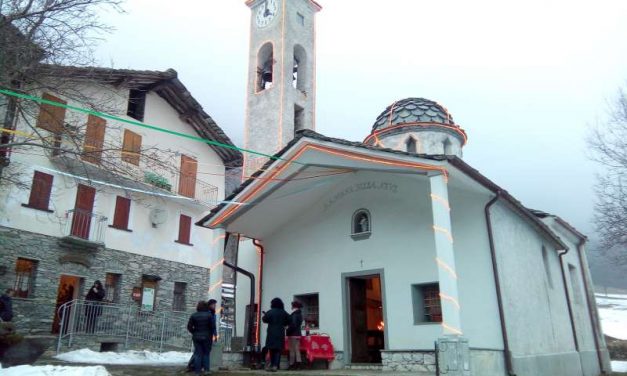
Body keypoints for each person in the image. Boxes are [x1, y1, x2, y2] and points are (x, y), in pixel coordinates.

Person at [187, 301, 216, 375]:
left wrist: (194, 332)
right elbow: (213, 327)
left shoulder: (193, 315)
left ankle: (197, 372)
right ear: (206, 307)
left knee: (198, 354)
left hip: (196, 337)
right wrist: (213, 335)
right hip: (207, 337)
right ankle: (206, 370)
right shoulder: (209, 315)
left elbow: (189, 327)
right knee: (206, 354)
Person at [262, 297, 290, 372]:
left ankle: (272, 365)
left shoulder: (270, 312)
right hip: (280, 333)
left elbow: (264, 319)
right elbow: (289, 320)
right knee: (278, 350)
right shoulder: (284, 312)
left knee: (271, 349)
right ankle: (275, 365)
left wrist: (265, 316)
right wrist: (284, 324)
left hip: (271, 333)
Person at [286, 301, 303, 370]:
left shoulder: (294, 314)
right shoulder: (299, 314)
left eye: (292, 305)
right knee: (297, 350)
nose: (291, 306)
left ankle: (292, 364)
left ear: (294, 306)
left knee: (292, 350)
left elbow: (293, 325)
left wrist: (287, 330)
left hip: (293, 334)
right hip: (298, 333)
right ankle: (298, 364)